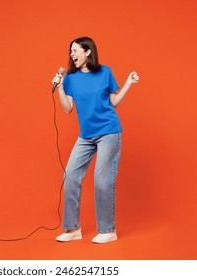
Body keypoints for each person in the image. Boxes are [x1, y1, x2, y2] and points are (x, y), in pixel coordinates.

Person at [51, 36, 139, 243]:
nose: (72, 55)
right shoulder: (71, 78)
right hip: (86, 135)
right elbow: (67, 110)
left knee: (102, 180)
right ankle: (73, 230)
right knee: (71, 176)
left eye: (75, 50)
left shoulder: (105, 72)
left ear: (87, 51)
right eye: (70, 51)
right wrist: (61, 88)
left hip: (109, 131)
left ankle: (108, 230)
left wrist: (127, 84)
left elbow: (113, 102)